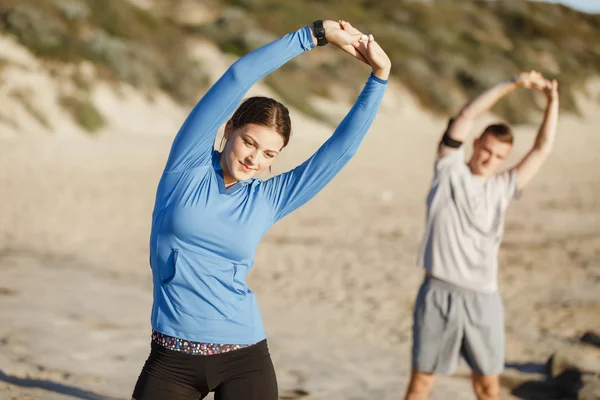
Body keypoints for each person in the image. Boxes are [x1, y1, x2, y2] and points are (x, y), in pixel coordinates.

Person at [131, 19, 391, 400]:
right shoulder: (187, 166)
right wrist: (313, 35)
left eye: (269, 154)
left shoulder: (269, 198)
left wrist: (379, 78)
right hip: (172, 357)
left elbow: (340, 150)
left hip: (245, 357)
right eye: (248, 143)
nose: (254, 159)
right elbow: (238, 77)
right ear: (229, 129)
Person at [404, 71, 559, 400]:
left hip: (483, 298)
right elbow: (467, 115)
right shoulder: (449, 170)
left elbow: (542, 148)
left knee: (488, 387)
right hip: (438, 293)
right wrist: (513, 83)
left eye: (500, 157)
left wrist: (552, 101)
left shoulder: (503, 188)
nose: (490, 160)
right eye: (487, 150)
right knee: (421, 384)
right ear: (475, 144)